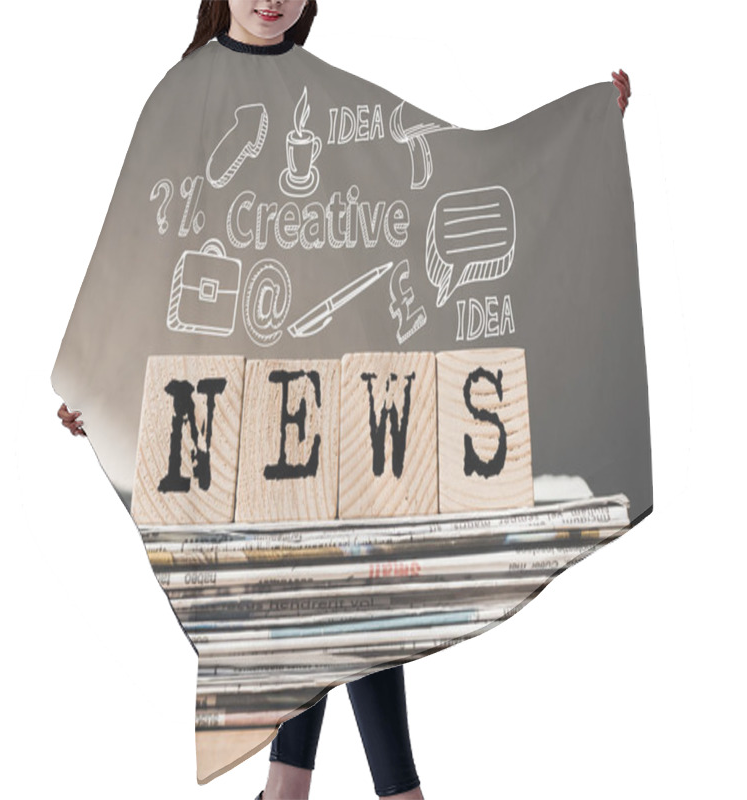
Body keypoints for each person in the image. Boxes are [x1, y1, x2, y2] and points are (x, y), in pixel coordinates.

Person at [57, 2, 632, 798]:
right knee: (326, 590)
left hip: (334, 390)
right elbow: (137, 248)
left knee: (347, 583)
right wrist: (94, 368)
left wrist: (583, 132)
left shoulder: (325, 95)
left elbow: (439, 175)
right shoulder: (183, 92)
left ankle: (294, 789)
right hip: (239, 401)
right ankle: (380, 791)